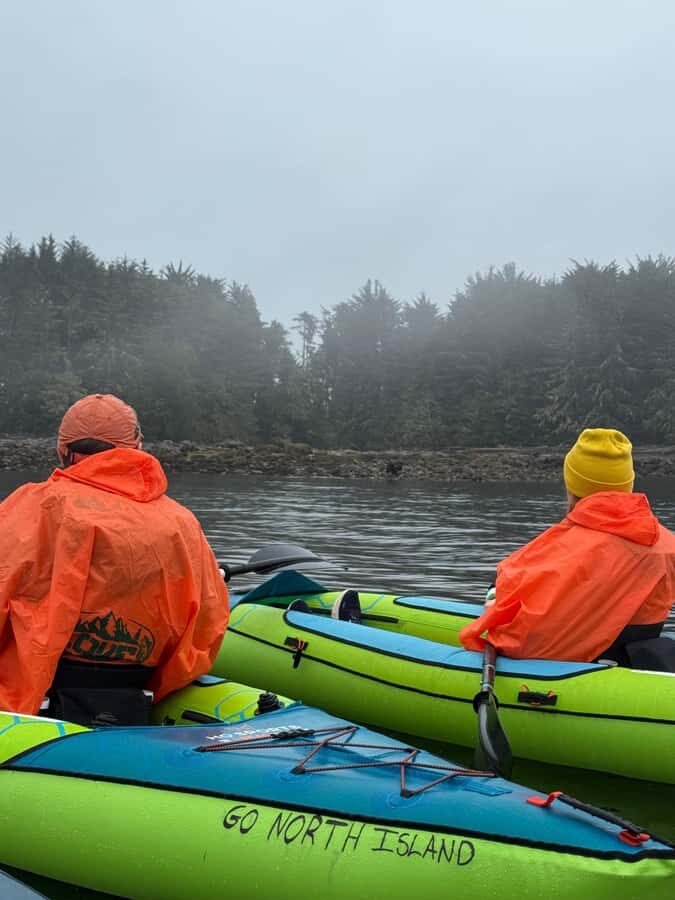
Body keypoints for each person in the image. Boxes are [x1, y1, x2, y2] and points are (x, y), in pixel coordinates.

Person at [0, 394, 229, 716]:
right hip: (135, 692)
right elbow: (208, 625)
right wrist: (163, 687)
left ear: (62, 449)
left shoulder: (30, 505)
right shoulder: (181, 522)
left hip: (34, 698)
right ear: (136, 447)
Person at [460, 428, 675, 662]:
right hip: (637, 657)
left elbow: (522, 642)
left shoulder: (567, 548)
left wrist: (496, 605)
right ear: (628, 485)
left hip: (585, 668)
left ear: (572, 489)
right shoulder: (668, 545)